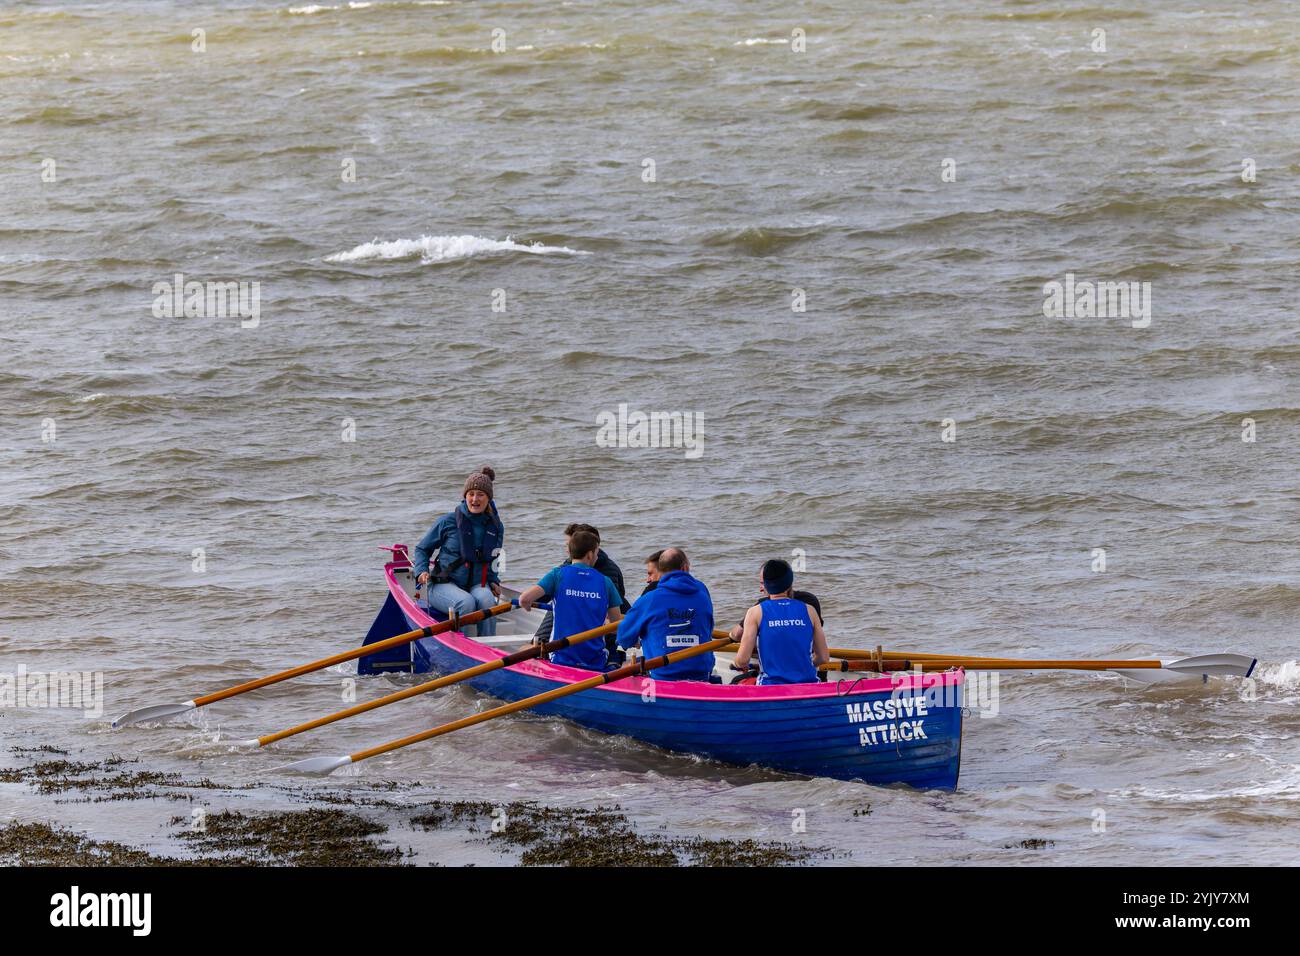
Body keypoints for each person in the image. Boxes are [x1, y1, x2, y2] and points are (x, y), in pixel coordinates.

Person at [411, 466, 504, 637]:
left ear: (488, 498)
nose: (475, 499)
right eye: (471, 494)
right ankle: (466, 648)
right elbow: (421, 549)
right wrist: (422, 571)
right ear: (465, 496)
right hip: (443, 584)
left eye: (481, 495)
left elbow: (497, 558)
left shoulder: (496, 526)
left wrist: (494, 580)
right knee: (466, 602)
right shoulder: (448, 521)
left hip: (476, 584)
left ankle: (488, 648)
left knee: (488, 601)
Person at [517, 529, 622, 670]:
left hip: (560, 657)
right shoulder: (606, 582)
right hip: (595, 660)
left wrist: (528, 606)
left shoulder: (557, 574)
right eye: (597, 553)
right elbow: (615, 626)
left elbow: (524, 599)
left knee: (523, 649)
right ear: (590, 555)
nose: (597, 557)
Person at [616, 548, 715, 681]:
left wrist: (641, 636)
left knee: (626, 665)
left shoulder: (649, 599)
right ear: (685, 568)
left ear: (660, 572)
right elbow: (709, 628)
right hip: (701, 673)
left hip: (663, 675)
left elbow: (623, 638)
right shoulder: (703, 593)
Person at [732, 559, 830, 685]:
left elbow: (743, 660)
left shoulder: (755, 612)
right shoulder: (810, 610)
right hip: (808, 685)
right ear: (790, 583)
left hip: (771, 686)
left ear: (766, 584)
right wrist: (807, 664)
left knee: (736, 682)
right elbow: (823, 657)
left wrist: (736, 663)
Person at [533, 523, 631, 646]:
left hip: (597, 630)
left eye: (570, 545)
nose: (568, 550)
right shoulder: (570, 564)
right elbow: (541, 597)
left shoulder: (607, 572)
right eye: (568, 545)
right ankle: (539, 643)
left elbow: (614, 610)